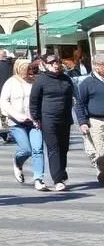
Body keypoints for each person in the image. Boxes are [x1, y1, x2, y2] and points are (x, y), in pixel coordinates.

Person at [30, 53, 76, 191]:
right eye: (52, 63)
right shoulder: (41, 81)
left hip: (65, 118)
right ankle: (58, 179)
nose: (55, 65)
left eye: (57, 63)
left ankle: (61, 172)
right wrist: (36, 118)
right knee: (54, 148)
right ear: (45, 65)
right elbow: (34, 101)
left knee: (64, 148)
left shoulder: (66, 79)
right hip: (48, 119)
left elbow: (72, 98)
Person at [0, 58, 45, 189]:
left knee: (38, 149)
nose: (30, 72)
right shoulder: (10, 83)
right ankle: (17, 162)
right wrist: (17, 115)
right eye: (27, 69)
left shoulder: (35, 81)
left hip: (34, 121)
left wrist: (39, 117)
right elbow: (4, 102)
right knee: (26, 150)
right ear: (19, 69)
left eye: (31, 69)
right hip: (16, 122)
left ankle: (39, 179)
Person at [74, 52, 104, 185]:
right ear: (97, 66)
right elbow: (79, 104)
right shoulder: (86, 83)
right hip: (96, 121)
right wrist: (82, 122)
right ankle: (102, 172)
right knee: (101, 151)